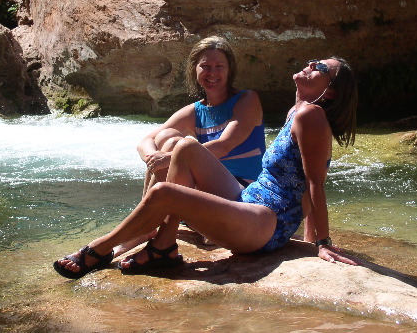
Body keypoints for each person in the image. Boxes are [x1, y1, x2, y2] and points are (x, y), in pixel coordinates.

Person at [53, 57, 359, 279]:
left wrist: (320, 243)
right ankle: (163, 245)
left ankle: (99, 248)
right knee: (185, 147)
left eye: (320, 67)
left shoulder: (313, 116)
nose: (310, 63)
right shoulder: (298, 108)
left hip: (266, 223)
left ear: (330, 91)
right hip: (249, 199)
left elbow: (315, 182)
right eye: (314, 60)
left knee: (163, 193)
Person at [112, 36, 266, 256]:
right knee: (168, 137)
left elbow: (224, 145)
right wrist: (154, 157)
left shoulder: (247, 100)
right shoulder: (195, 110)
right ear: (194, 69)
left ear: (230, 69)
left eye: (219, 66)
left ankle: (145, 226)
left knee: (178, 146)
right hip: (206, 195)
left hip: (241, 193)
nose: (212, 73)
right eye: (205, 66)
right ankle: (147, 226)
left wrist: (169, 158)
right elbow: (145, 142)